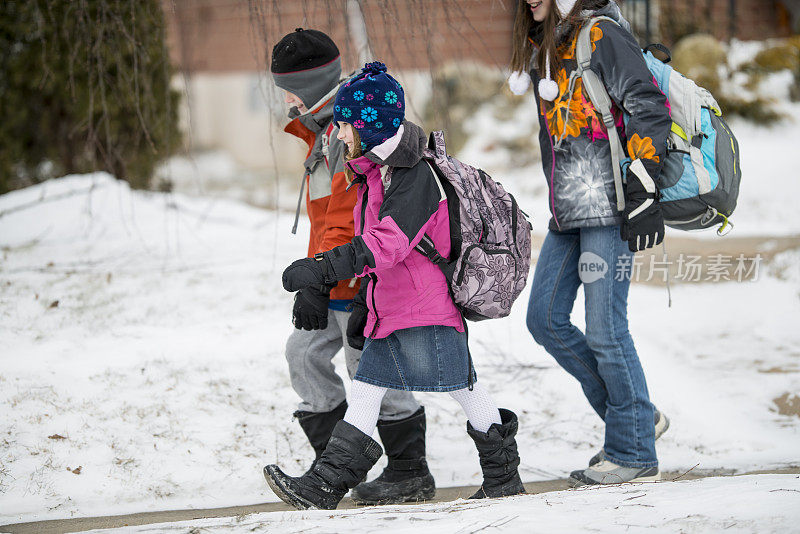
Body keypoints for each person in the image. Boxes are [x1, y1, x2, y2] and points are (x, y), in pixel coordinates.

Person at [264, 61, 526, 510]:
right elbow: (378, 258)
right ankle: (326, 485)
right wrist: (367, 304)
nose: (341, 135)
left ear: (367, 125)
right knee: (374, 390)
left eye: (345, 126)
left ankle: (501, 478)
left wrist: (322, 269)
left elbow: (387, 244)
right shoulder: (376, 173)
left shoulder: (414, 174)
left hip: (425, 308)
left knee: (464, 388)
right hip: (397, 307)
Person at [269, 29, 435, 504]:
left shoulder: (351, 131)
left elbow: (351, 220)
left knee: (374, 372)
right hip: (332, 273)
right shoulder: (322, 134)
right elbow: (326, 221)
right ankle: (337, 465)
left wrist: (321, 277)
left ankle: (408, 471)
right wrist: (317, 278)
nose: (283, 98)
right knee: (303, 354)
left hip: (363, 278)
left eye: (287, 87)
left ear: (306, 87)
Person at [509, 0, 671, 485]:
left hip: (611, 205)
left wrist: (643, 186)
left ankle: (634, 452)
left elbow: (646, 103)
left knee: (604, 330)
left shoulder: (600, 34)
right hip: (569, 212)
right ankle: (639, 420)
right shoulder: (547, 48)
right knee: (545, 320)